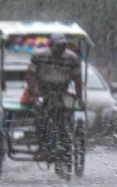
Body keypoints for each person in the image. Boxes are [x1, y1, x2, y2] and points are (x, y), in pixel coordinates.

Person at [26, 33, 85, 161]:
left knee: (66, 117)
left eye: (63, 46)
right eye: (57, 46)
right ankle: (42, 147)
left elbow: (77, 79)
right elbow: (30, 75)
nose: (60, 49)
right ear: (51, 45)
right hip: (43, 91)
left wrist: (80, 97)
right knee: (40, 117)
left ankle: (67, 141)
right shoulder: (39, 56)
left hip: (62, 91)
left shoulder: (72, 58)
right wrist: (33, 93)